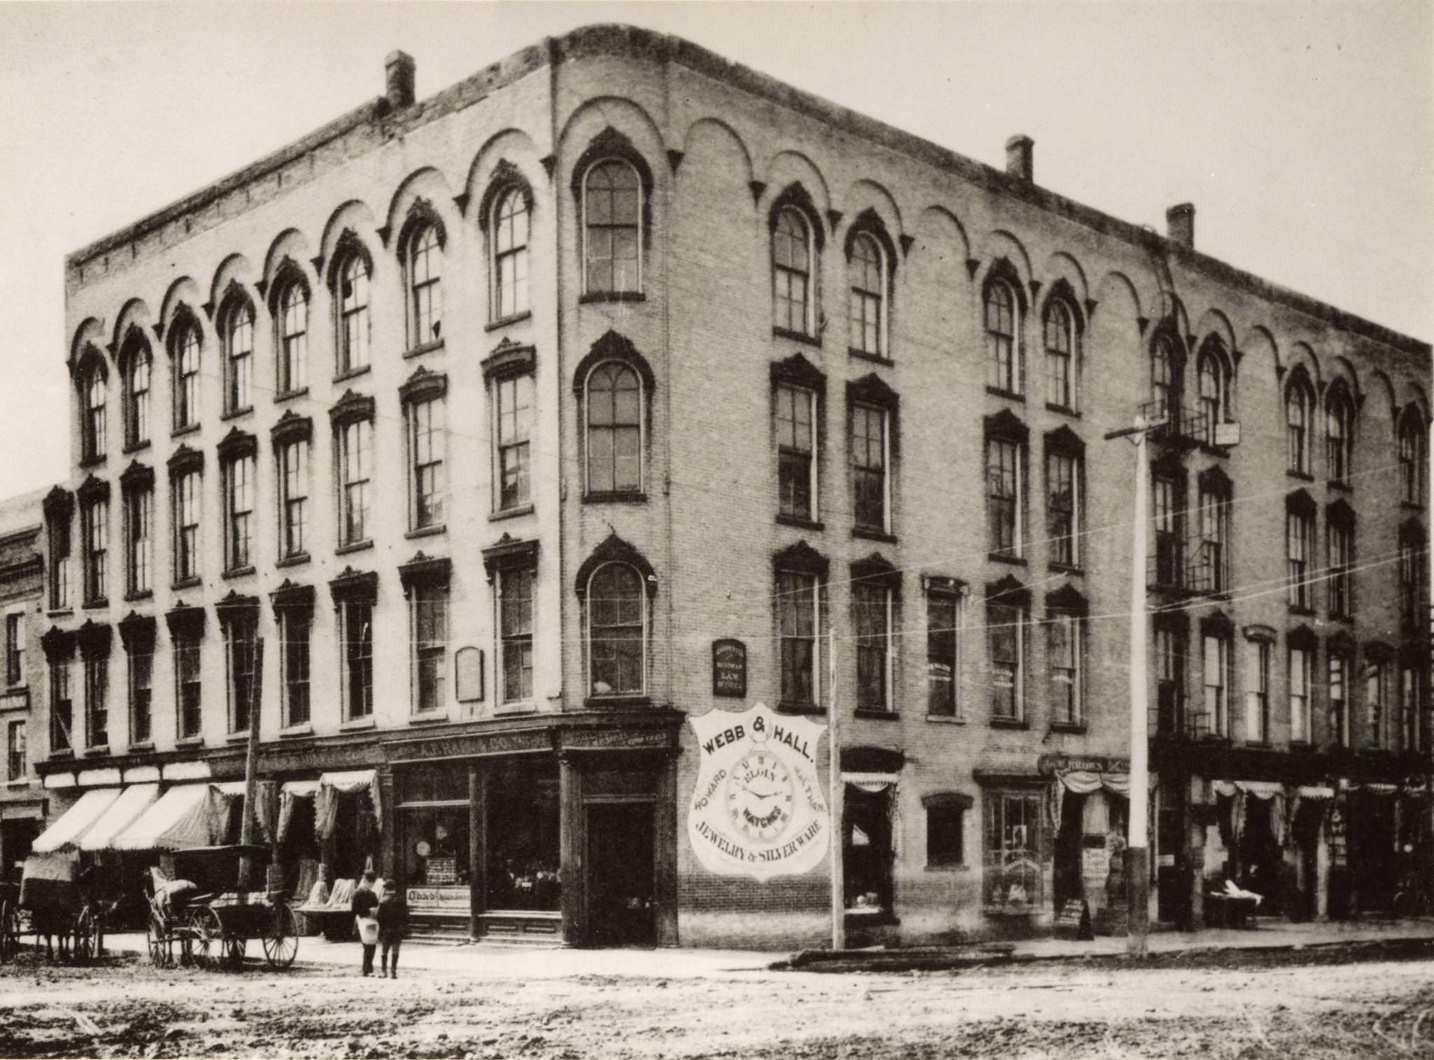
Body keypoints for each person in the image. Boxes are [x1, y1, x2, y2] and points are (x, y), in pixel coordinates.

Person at [376, 879, 408, 979]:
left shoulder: (383, 901)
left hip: (386, 928)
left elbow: (379, 917)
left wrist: (381, 928)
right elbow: (406, 916)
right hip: (398, 929)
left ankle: (384, 971)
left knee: (384, 950)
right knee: (395, 950)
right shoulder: (401, 900)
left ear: (386, 889)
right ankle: (393, 972)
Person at [351, 870, 379, 976]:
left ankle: (367, 967)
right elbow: (355, 909)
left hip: (366, 920)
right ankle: (367, 968)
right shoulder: (363, 893)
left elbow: (354, 909)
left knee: (368, 944)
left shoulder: (362, 893)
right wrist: (369, 911)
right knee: (369, 945)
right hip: (366, 919)